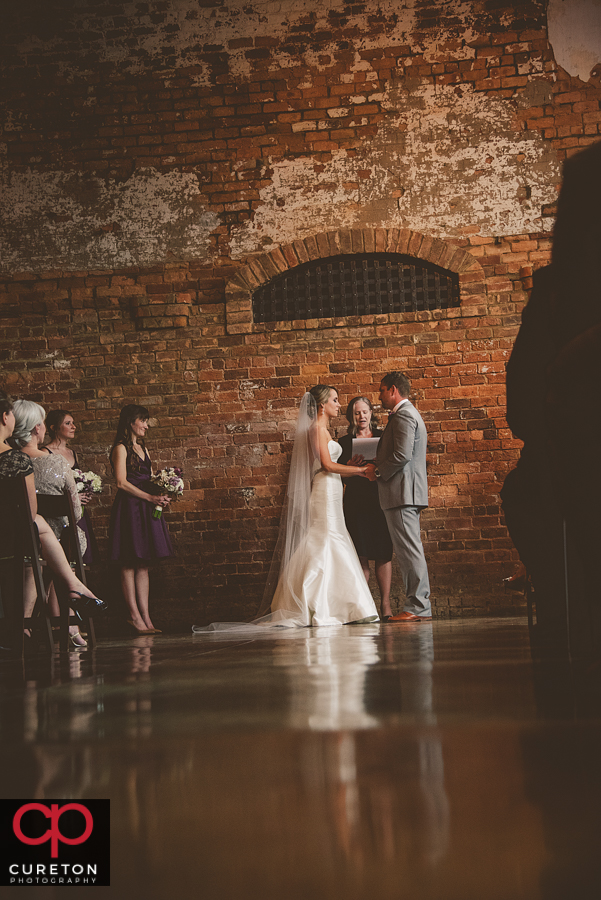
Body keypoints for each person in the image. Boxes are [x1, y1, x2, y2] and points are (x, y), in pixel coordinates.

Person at [194, 385, 379, 632]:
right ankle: (321, 604)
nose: (338, 404)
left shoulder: (323, 430)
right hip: (324, 490)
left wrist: (348, 465)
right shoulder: (316, 429)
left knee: (331, 537)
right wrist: (360, 471)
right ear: (322, 405)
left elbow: (330, 464)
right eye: (334, 400)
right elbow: (325, 465)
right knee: (326, 538)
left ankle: (340, 604)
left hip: (332, 489)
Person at [0, 390, 107, 645]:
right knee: (39, 528)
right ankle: (74, 590)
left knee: (39, 543)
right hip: (22, 541)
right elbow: (30, 512)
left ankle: (28, 624)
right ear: (5, 418)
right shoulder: (17, 460)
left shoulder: (18, 457)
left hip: (17, 542)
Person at [12, 400, 88, 648]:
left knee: (33, 560)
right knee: (65, 547)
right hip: (57, 538)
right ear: (36, 429)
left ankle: (25, 627)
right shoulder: (56, 462)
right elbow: (75, 512)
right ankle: (66, 622)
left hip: (16, 541)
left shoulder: (9, 460)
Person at [366, 372, 432, 622]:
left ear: (393, 390)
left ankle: (417, 607)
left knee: (409, 552)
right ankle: (417, 606)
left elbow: (402, 455)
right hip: (403, 493)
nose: (379, 395)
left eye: (382, 390)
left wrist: (378, 470)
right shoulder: (406, 414)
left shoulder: (404, 414)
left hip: (402, 493)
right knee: (408, 551)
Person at [108, 404, 173, 635]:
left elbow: (151, 477)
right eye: (143, 420)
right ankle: (134, 617)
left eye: (147, 420)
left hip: (146, 506)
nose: (146, 425)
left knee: (143, 562)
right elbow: (121, 482)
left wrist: (165, 493)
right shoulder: (120, 448)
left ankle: (147, 618)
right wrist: (150, 497)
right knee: (128, 561)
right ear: (130, 422)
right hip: (130, 507)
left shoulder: (143, 448)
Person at [338, 396, 393, 620]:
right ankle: (365, 606)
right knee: (360, 554)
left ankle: (386, 605)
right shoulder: (343, 442)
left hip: (380, 499)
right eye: (357, 413)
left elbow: (392, 465)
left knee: (383, 552)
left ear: (371, 413)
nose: (362, 416)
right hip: (355, 502)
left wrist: (378, 464)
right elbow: (338, 476)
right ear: (352, 416)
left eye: (365, 412)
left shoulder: (383, 437)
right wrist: (349, 468)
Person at [42, 408, 98, 565]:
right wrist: (73, 497)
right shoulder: (45, 453)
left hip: (78, 512)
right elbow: (46, 487)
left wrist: (85, 491)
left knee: (79, 558)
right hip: (59, 514)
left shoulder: (73, 453)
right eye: (68, 423)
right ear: (54, 428)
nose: (73, 426)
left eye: (73, 423)